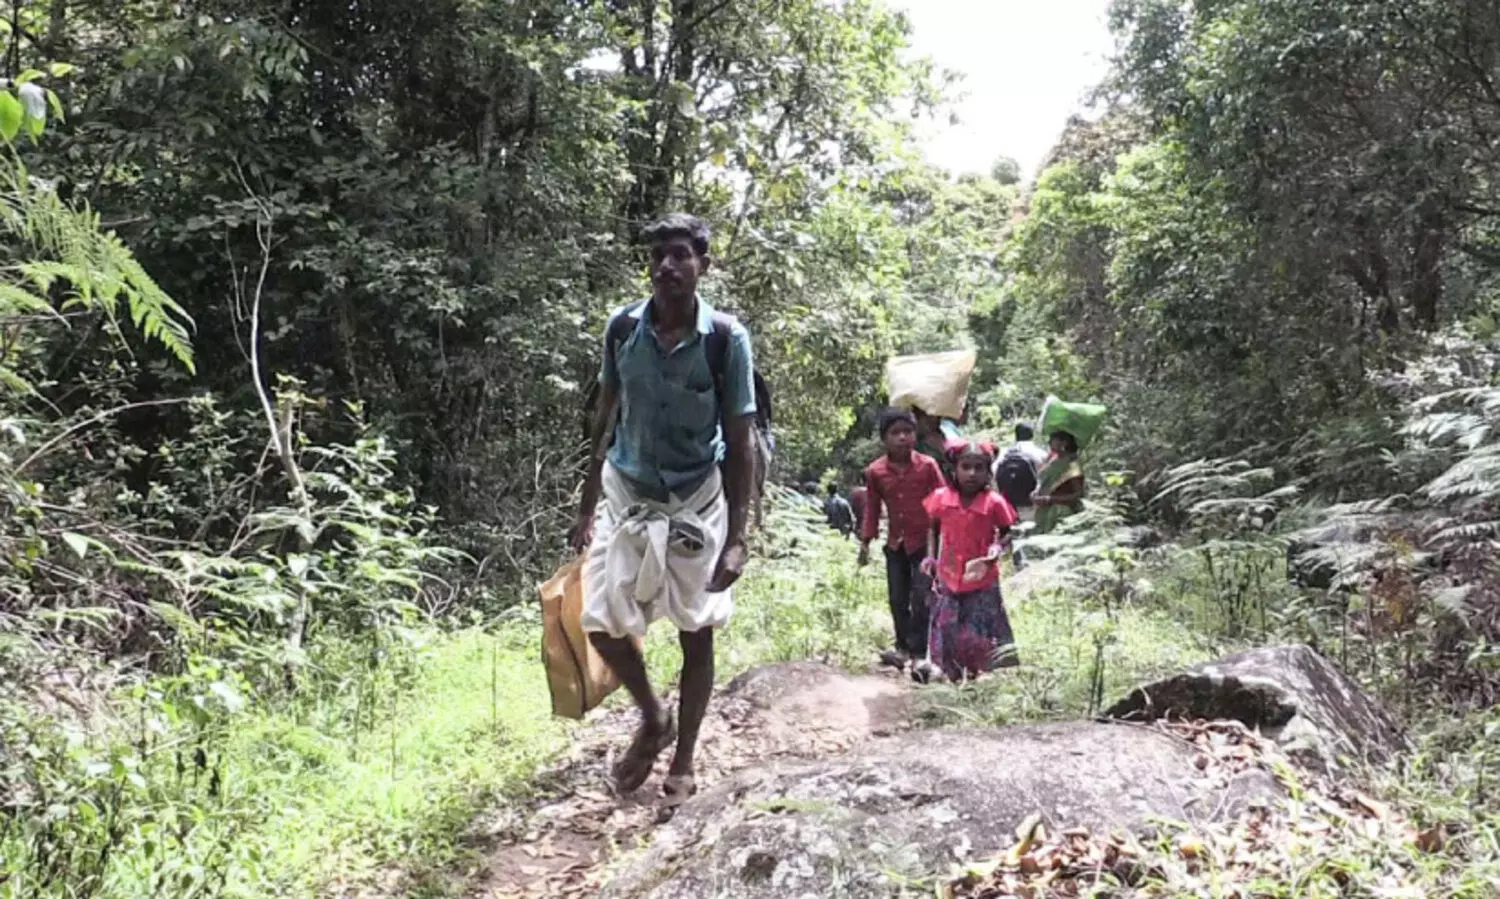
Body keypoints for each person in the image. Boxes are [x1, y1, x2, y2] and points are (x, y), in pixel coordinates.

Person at [571, 213, 754, 803]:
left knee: (696, 628)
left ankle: (684, 759)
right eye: (658, 257)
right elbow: (605, 416)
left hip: (697, 496)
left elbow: (741, 435)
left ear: (703, 263)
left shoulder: (726, 339)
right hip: (627, 488)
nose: (667, 267)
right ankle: (653, 716)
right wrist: (585, 506)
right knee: (600, 620)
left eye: (680, 255)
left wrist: (739, 536)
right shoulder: (623, 328)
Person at [915, 441, 1020, 683]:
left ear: (988, 471)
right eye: (966, 466)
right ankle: (947, 672)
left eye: (978, 468)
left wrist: (996, 549)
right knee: (947, 625)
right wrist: (930, 557)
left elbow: (1007, 532)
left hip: (981, 576)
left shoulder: (994, 502)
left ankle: (976, 674)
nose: (972, 473)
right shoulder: (941, 498)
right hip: (948, 574)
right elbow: (932, 528)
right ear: (955, 469)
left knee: (978, 627)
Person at [859, 408, 946, 668]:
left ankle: (920, 652)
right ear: (884, 439)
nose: (902, 438)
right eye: (895, 433)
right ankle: (902, 647)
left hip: (925, 543)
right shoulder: (875, 472)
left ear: (914, 434)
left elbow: (943, 501)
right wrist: (865, 542)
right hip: (896, 543)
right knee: (897, 597)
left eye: (907, 432)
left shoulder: (928, 466)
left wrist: (948, 535)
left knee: (922, 595)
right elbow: (872, 508)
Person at [993, 422, 1048, 567]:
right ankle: (1040, 562)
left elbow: (994, 475)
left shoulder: (1004, 454)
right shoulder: (1040, 453)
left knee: (1016, 533)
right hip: (1033, 502)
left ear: (1015, 435)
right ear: (1032, 435)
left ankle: (1020, 563)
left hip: (1010, 504)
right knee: (1035, 532)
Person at [1033, 429, 1086, 534]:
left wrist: (1051, 499)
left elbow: (1078, 493)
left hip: (1061, 513)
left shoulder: (1072, 464)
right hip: (1044, 511)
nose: (1049, 442)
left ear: (1064, 442)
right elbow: (1044, 480)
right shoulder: (1052, 460)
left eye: (1053, 440)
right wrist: (1036, 491)